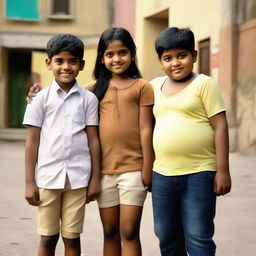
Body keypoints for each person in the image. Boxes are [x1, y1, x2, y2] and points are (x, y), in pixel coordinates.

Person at [26, 27, 154, 256]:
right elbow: (61, 97)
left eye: (122, 53)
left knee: (129, 230)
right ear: (101, 58)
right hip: (102, 171)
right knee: (109, 230)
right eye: (110, 54)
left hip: (131, 169)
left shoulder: (141, 87)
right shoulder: (93, 91)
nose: (116, 59)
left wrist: (148, 167)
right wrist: (33, 99)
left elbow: (146, 128)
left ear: (132, 54)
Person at [150, 27, 232, 256]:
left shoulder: (204, 84)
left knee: (198, 237)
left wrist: (222, 170)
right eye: (168, 58)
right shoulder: (155, 86)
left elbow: (220, 126)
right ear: (160, 61)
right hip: (162, 175)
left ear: (194, 56)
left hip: (200, 173)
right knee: (166, 236)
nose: (175, 63)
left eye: (181, 55)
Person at [23, 33, 101, 256]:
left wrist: (95, 179)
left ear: (82, 64)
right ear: (49, 63)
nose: (66, 67)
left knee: (72, 238)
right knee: (48, 237)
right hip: (48, 178)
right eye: (59, 61)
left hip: (78, 179)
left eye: (72, 61)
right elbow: (32, 142)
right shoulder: (39, 100)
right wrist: (30, 182)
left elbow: (93, 140)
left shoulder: (88, 99)